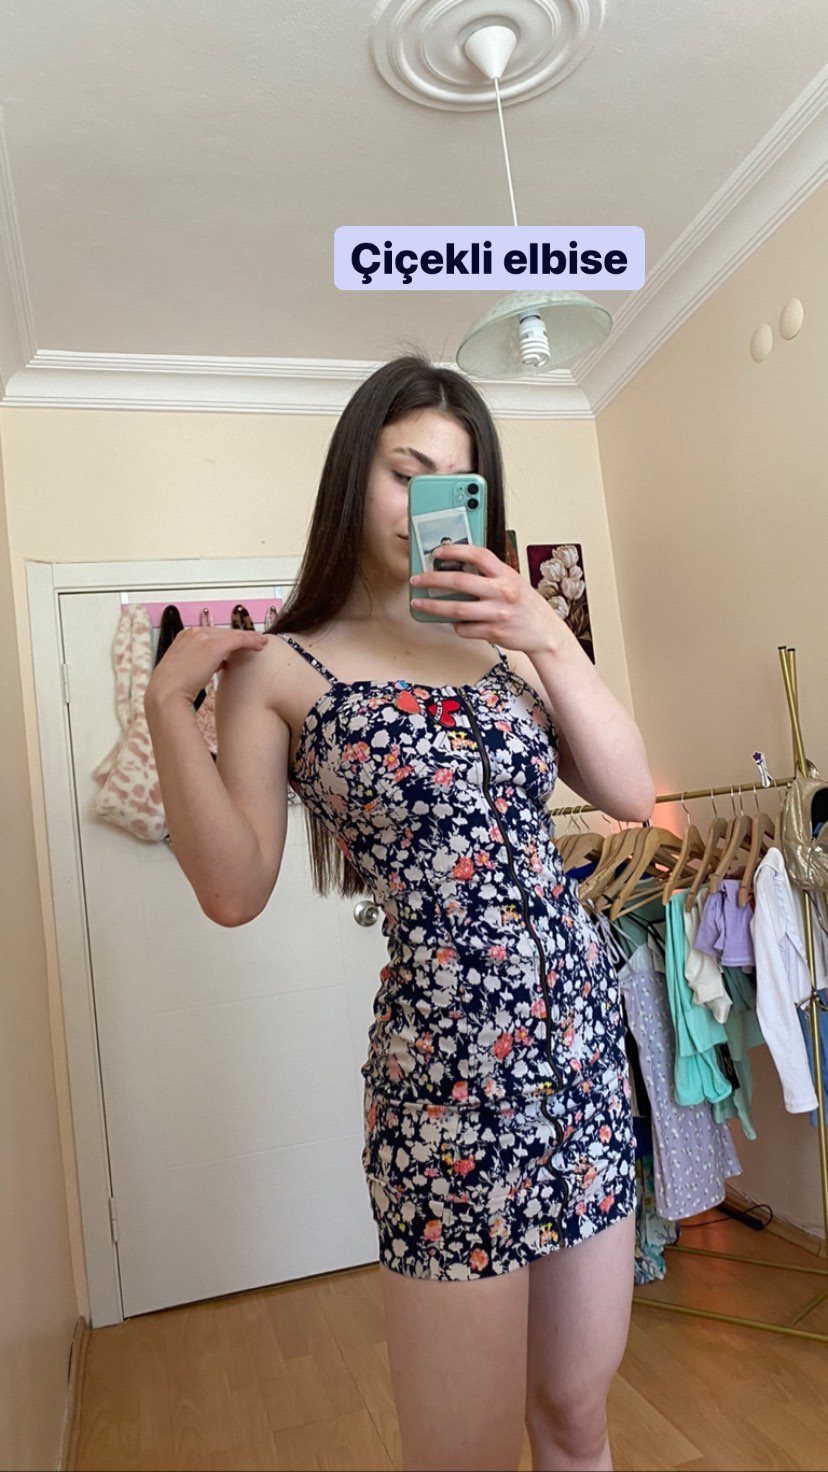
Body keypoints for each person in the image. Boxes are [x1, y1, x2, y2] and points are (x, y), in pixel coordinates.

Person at [145, 356, 656, 1472]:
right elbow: (233, 888)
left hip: (580, 1058)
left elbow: (627, 790)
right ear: (353, 475)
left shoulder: (503, 647)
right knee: (462, 1452)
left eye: (453, 483)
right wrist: (169, 706)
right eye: (403, 471)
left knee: (577, 1416)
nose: (424, 503)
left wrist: (545, 630)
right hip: (446, 1088)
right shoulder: (282, 667)